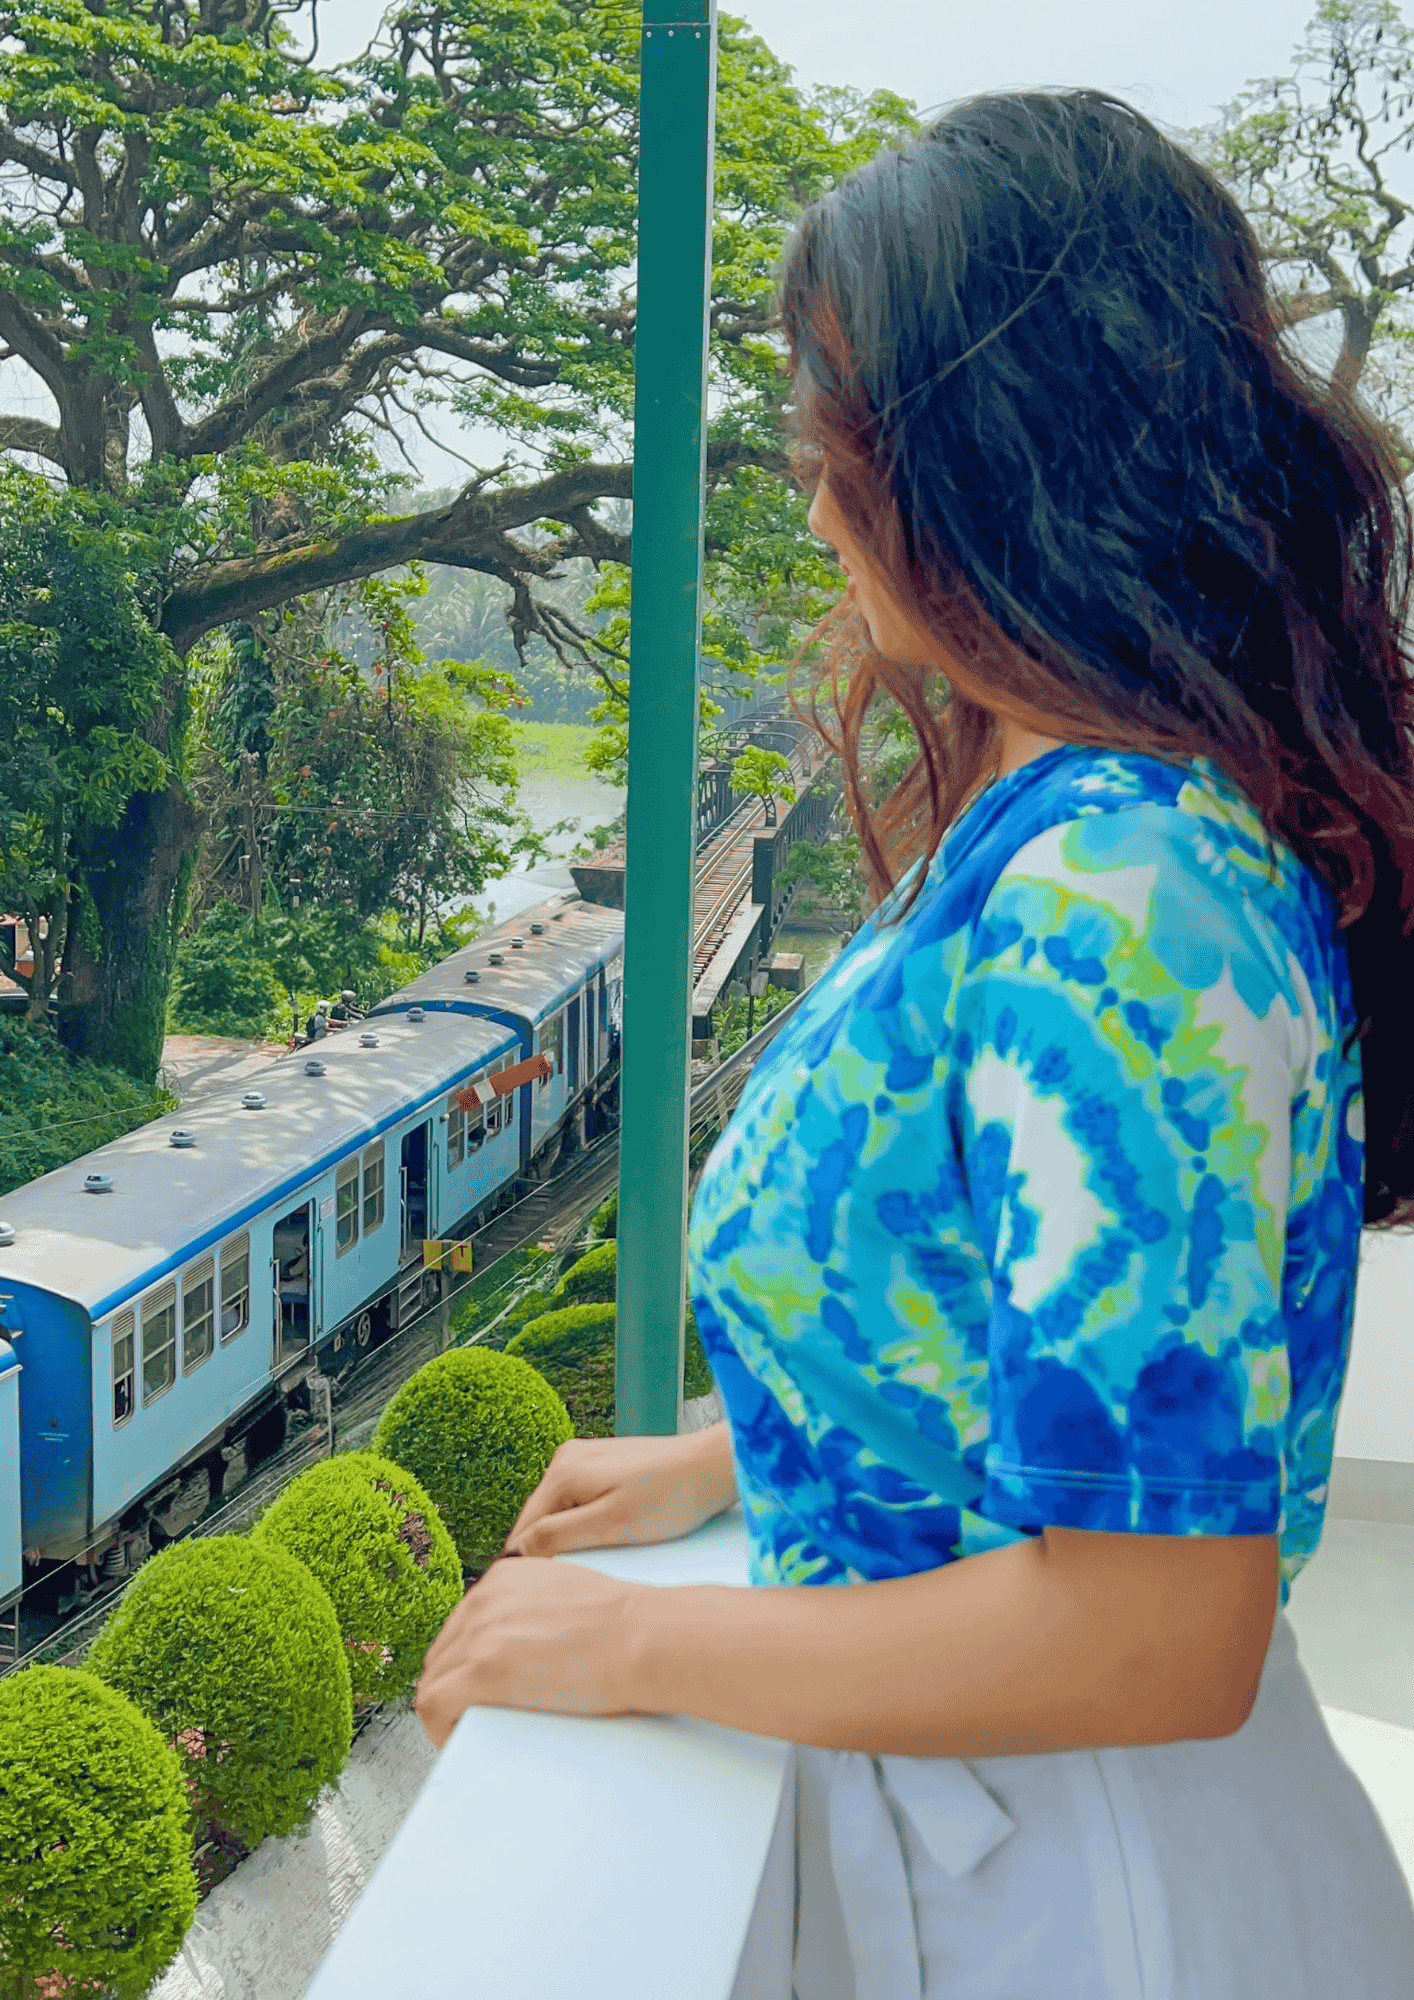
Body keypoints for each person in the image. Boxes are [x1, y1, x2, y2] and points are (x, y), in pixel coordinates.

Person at [414, 89, 1414, 1997]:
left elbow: (1151, 1630)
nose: (810, 505)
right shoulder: (1062, 828)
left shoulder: (1120, 896)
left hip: (1093, 1899)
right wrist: (749, 1454)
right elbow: (995, 1300)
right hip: (999, 1854)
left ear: (1000, 459)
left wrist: (619, 1645)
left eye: (837, 447)